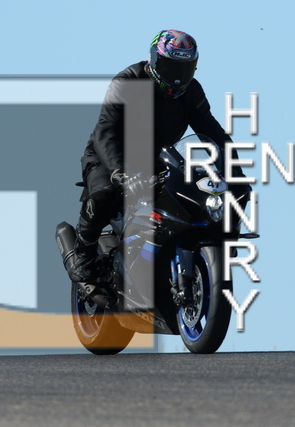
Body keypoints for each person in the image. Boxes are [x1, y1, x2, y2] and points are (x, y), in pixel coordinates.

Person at [68, 29, 246, 283]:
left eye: (184, 69)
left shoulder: (192, 91)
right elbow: (106, 131)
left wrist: (234, 170)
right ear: (153, 59)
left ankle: (220, 240)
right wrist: (119, 172)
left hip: (158, 159)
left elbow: (212, 131)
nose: (177, 76)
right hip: (109, 155)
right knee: (105, 193)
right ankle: (82, 256)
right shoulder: (127, 81)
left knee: (219, 193)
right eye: (170, 67)